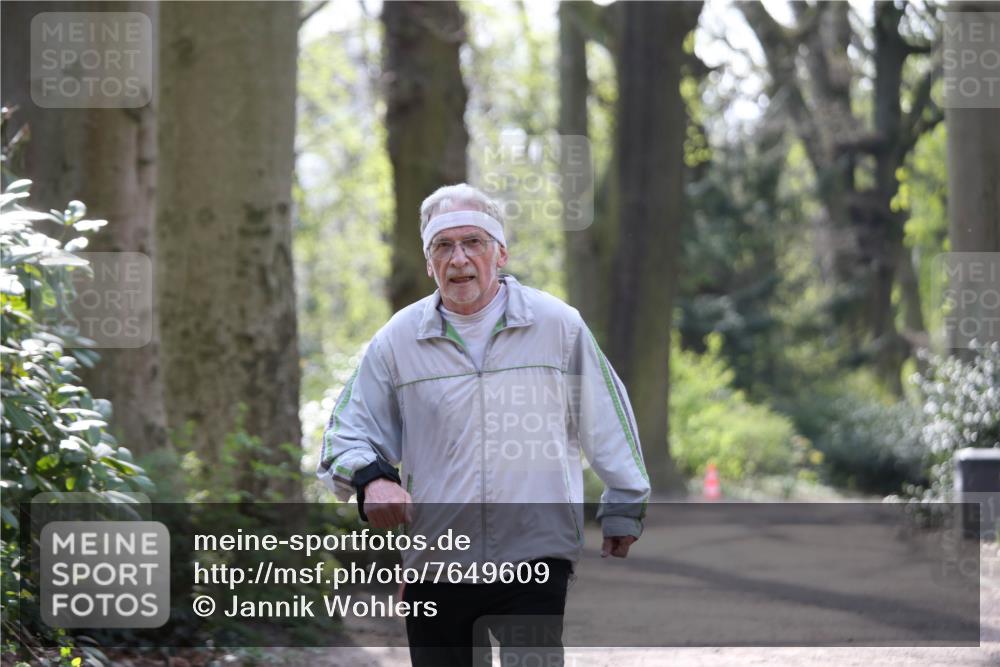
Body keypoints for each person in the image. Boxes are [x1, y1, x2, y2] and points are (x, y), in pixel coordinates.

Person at [317, 183, 650, 666]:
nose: (458, 260)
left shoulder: (556, 325)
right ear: (429, 262)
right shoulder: (398, 340)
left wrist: (625, 502)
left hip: (535, 555)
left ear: (501, 252)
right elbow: (344, 433)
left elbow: (607, 414)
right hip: (437, 559)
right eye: (443, 247)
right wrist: (371, 479)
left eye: (472, 242)